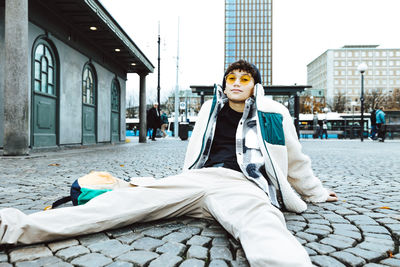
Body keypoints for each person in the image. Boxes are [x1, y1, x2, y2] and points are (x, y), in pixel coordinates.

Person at [0, 60, 337, 267]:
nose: (236, 83)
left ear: (254, 86)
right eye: (231, 78)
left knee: (264, 228)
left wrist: (317, 193)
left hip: (244, 186)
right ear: (224, 84)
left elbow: (295, 160)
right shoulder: (209, 110)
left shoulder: (273, 113)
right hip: (199, 180)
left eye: (244, 79)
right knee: (121, 204)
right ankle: (11, 227)